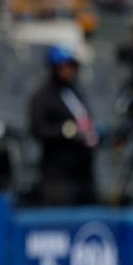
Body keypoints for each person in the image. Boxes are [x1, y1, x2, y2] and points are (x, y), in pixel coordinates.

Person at [27, 45, 98, 206]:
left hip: (83, 172)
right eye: (63, 67)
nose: (68, 71)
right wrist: (63, 130)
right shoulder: (43, 97)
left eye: (71, 66)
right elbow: (37, 129)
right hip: (58, 176)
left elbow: (85, 119)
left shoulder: (75, 93)